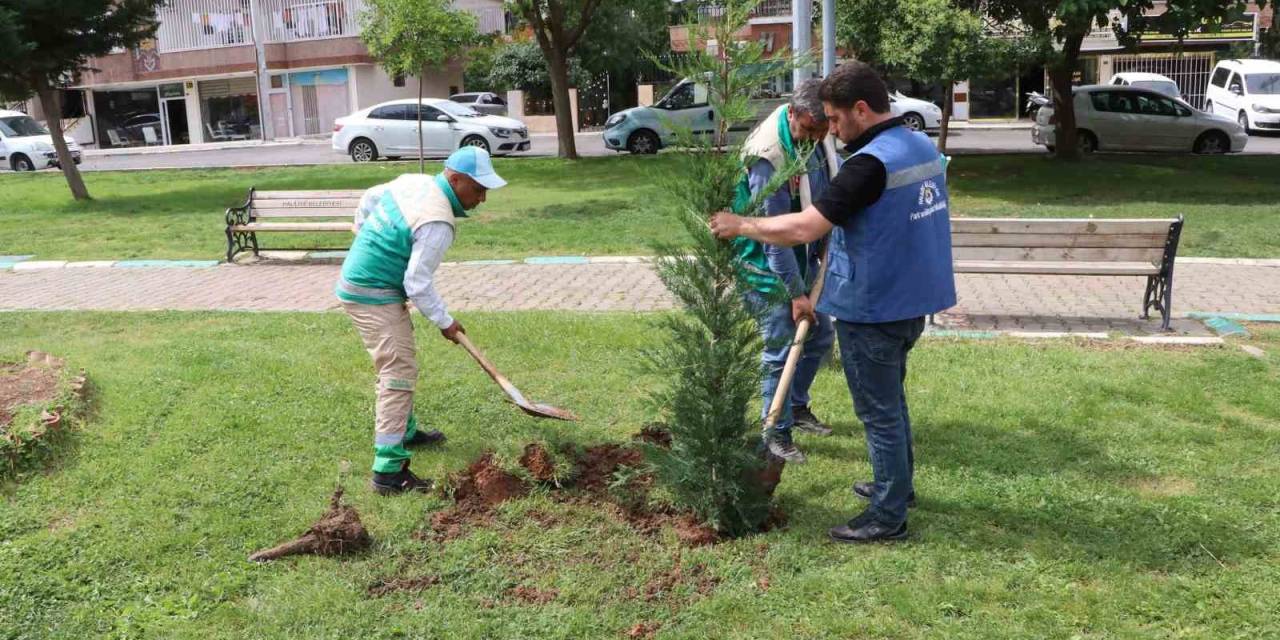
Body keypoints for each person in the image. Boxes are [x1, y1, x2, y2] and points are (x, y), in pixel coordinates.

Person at [710, 62, 956, 543]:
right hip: (915, 300)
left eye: (837, 120)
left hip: (875, 306)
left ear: (861, 110)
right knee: (893, 400)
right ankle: (896, 488)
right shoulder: (918, 143)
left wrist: (741, 225)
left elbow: (803, 227)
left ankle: (888, 516)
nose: (833, 132)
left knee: (878, 412)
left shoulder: (870, 164)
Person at [336, 146, 506, 495]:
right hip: (373, 293)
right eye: (478, 189)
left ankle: (406, 432)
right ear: (454, 179)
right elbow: (417, 282)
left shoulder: (414, 182)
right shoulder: (437, 222)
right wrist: (446, 322)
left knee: (399, 361)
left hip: (367, 286)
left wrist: (362, 232)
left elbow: (370, 197)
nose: (483, 198)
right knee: (397, 373)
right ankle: (389, 471)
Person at [732, 79, 840, 464]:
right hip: (765, 266)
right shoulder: (768, 157)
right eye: (809, 130)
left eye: (822, 129)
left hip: (804, 253)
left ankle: (795, 406)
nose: (817, 137)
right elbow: (771, 237)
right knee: (781, 346)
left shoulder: (818, 128)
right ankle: (774, 430)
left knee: (821, 331)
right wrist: (795, 295)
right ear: (792, 114)